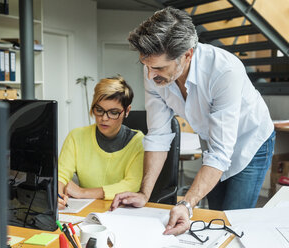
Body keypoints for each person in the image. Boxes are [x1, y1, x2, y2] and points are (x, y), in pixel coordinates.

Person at [110, 7, 275, 236]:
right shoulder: (154, 71)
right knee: (215, 215)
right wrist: (144, 193)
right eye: (145, 66)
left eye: (158, 67)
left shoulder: (224, 71)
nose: (149, 76)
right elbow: (158, 135)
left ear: (187, 55)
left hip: (251, 141)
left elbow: (220, 153)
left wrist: (186, 204)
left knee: (233, 220)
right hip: (212, 139)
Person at [58, 76, 144, 209]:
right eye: (99, 110)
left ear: (127, 111)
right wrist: (57, 194)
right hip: (87, 211)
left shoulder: (138, 141)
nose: (104, 118)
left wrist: (83, 192)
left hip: (122, 211)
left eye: (113, 113)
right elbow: (61, 174)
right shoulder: (76, 136)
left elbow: (131, 185)